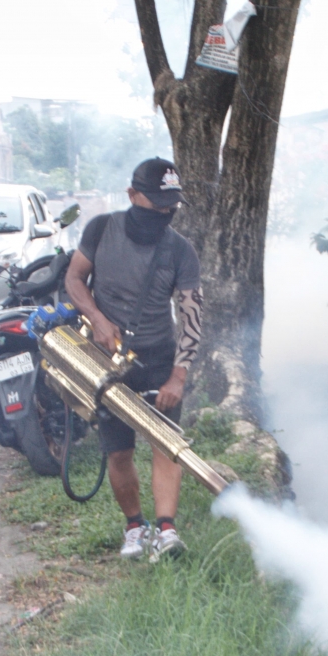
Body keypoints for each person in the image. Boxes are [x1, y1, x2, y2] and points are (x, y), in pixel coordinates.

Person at [65, 157, 203, 559]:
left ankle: (166, 530)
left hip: (159, 358)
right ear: (131, 194)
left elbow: (193, 314)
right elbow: (74, 278)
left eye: (169, 206)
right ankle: (134, 527)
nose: (162, 213)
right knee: (119, 450)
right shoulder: (100, 229)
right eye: (155, 203)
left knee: (165, 443)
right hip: (106, 363)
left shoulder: (180, 250)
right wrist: (97, 318)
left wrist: (178, 376)